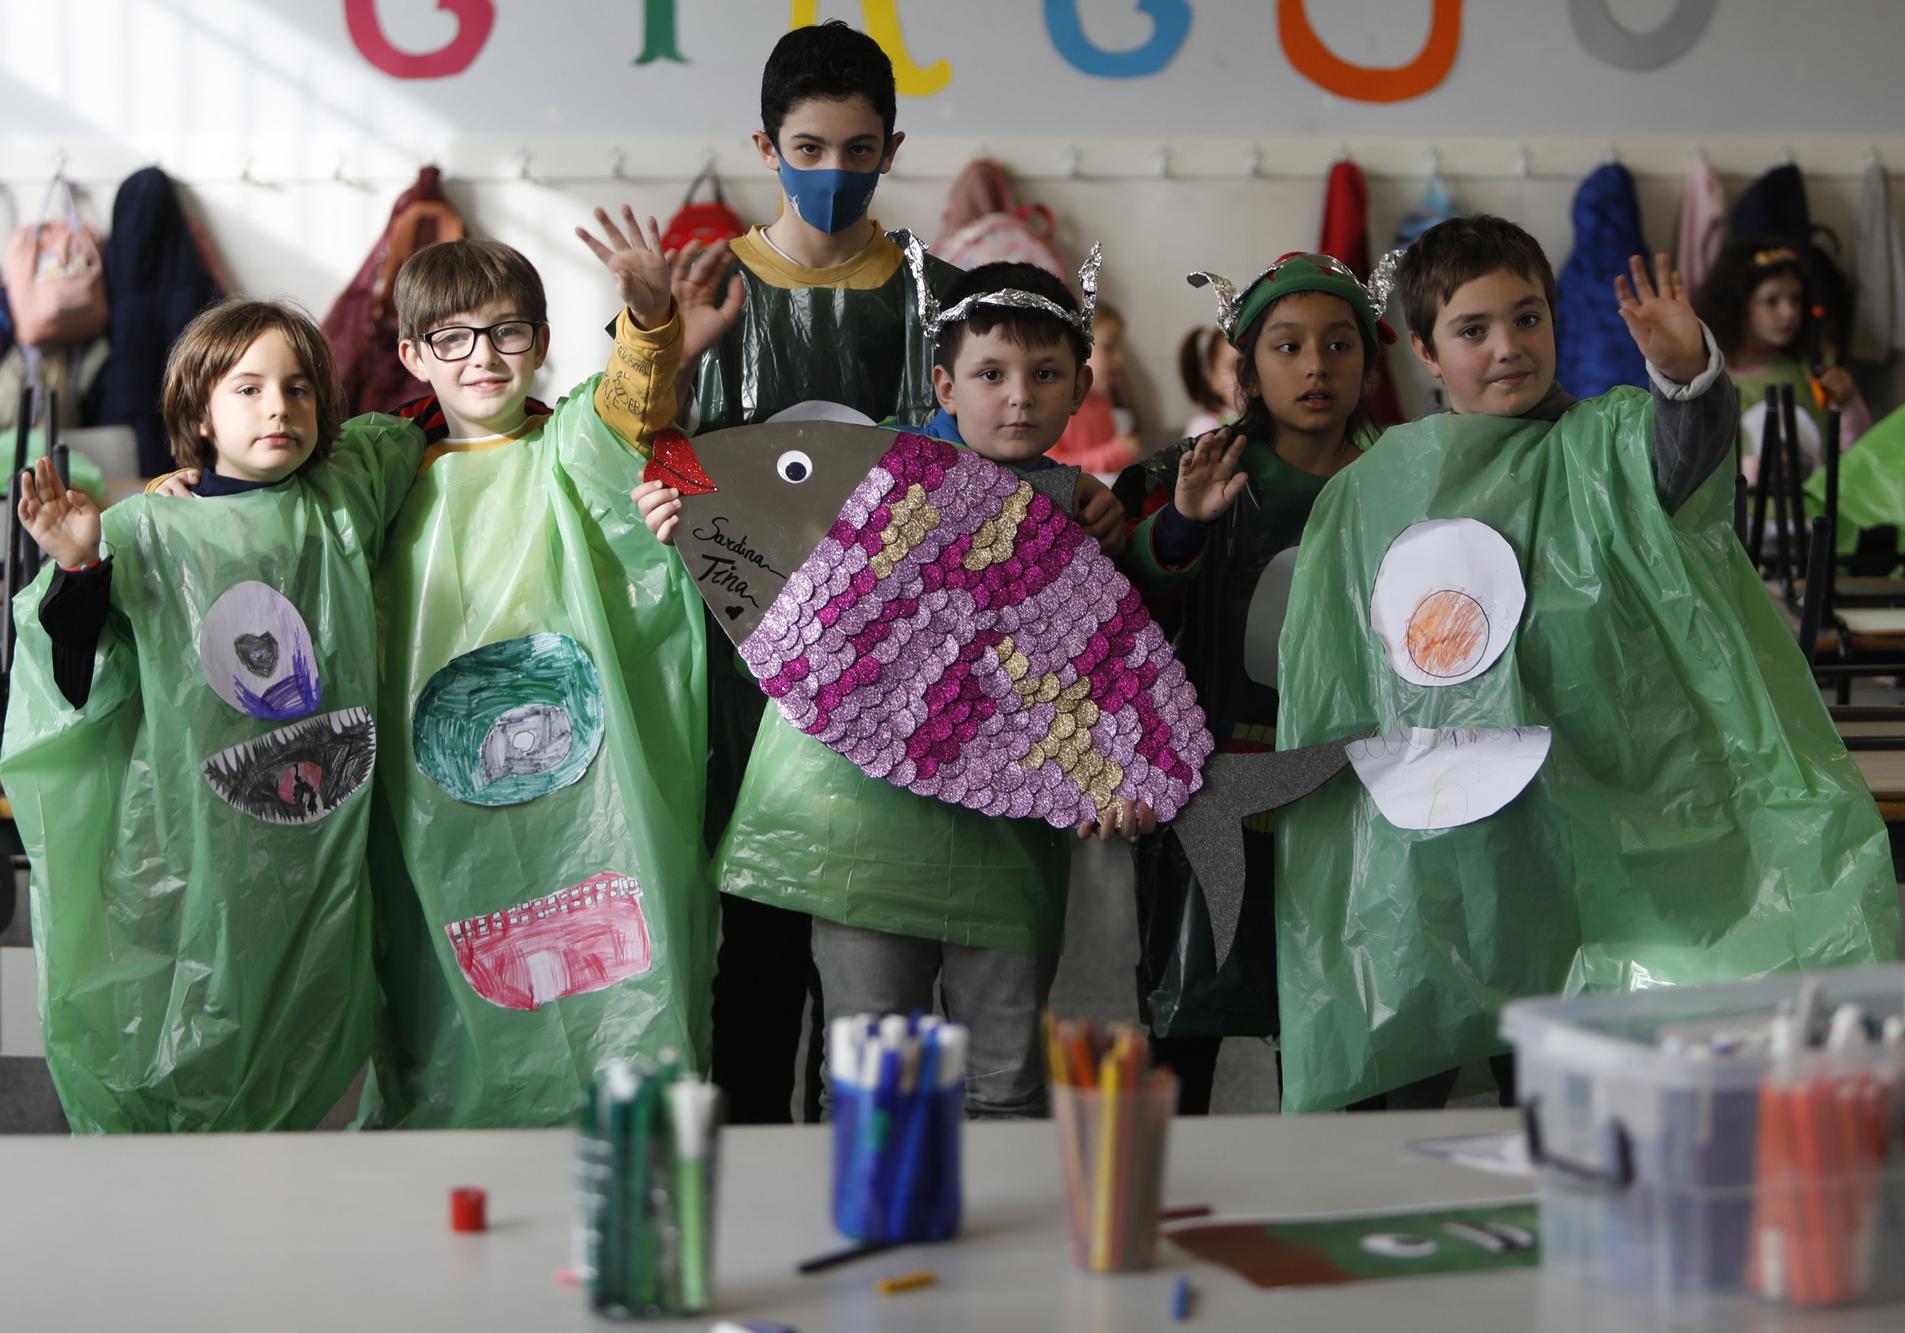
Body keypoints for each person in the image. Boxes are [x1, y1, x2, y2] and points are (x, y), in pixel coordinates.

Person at [1274, 215, 1897, 1112]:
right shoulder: (1372, 491)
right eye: (1473, 329)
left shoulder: (1606, 444)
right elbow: (1334, 678)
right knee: (1398, 1079)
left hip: (1582, 826)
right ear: (1422, 348)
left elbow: (1682, 457)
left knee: (1567, 1090)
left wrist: (1686, 375)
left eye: (1529, 319)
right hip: (1427, 846)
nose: (1508, 349)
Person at [690, 20, 1122, 1123]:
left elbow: (1015, 471)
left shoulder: (943, 300)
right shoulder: (706, 295)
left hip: (911, 720)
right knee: (757, 979)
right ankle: (774, 1216)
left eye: (857, 148)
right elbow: (634, 454)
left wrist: (1107, 509)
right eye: (809, 147)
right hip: (736, 674)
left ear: (890, 148)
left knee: (904, 1027)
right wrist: (656, 371)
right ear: (766, 143)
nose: (832, 171)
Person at [709, 257, 1163, 1118]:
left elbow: (1112, 665)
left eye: (1044, 375)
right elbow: (733, 532)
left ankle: (1005, 1253)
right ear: (945, 385)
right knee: (879, 1075)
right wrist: (679, 512)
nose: (1018, 397)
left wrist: (1120, 770)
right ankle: (883, 1234)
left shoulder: (1081, 513)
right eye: (991, 374)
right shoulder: (862, 471)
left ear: (1081, 389)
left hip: (1007, 845)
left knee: (1006, 1079)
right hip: (861, 837)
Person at [1, 298, 425, 1131]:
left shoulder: (343, 496)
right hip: (185, 850)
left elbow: (434, 408)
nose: (280, 408)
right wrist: (81, 567)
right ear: (198, 411)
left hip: (315, 854)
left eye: (301, 390)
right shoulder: (145, 529)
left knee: (296, 1057)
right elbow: (72, 680)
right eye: (250, 388)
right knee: (194, 1022)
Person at [363, 215, 740, 1128]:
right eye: (453, 337)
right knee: (453, 970)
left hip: (594, 796)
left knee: (612, 962)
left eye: (507, 331)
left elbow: (626, 409)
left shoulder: (569, 446)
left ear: (540, 341)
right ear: (415, 354)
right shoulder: (384, 467)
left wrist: (650, 318)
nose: (482, 356)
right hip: (439, 802)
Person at [1116, 253, 1388, 1115]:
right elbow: (1129, 612)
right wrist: (1183, 526)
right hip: (1215, 787)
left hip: (1356, 793)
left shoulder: (1409, 479)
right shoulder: (1189, 476)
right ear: (1247, 365)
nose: (1316, 367)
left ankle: (1335, 1208)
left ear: (1369, 362)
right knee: (1188, 1010)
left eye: (1340, 344)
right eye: (1289, 345)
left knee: (1340, 1017)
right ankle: (1157, 1200)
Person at [1695, 236, 1873, 482]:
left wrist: (1848, 401)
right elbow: (1700, 465)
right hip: (1744, 518)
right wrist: (1756, 469)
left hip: (1813, 515)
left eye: (1796, 299)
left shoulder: (1811, 370)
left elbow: (1858, 447)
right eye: (1772, 301)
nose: (1789, 312)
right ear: (1739, 305)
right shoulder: (1713, 377)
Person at [1047, 300, 1143, 481]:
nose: (1119, 358)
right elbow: (1051, 465)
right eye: (1108, 347)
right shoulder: (1056, 405)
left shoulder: (1102, 402)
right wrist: (1117, 452)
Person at [1176, 322, 1242, 440]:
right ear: (1213, 381)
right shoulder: (1205, 428)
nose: (1250, 375)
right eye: (1234, 367)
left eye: (1254, 364)